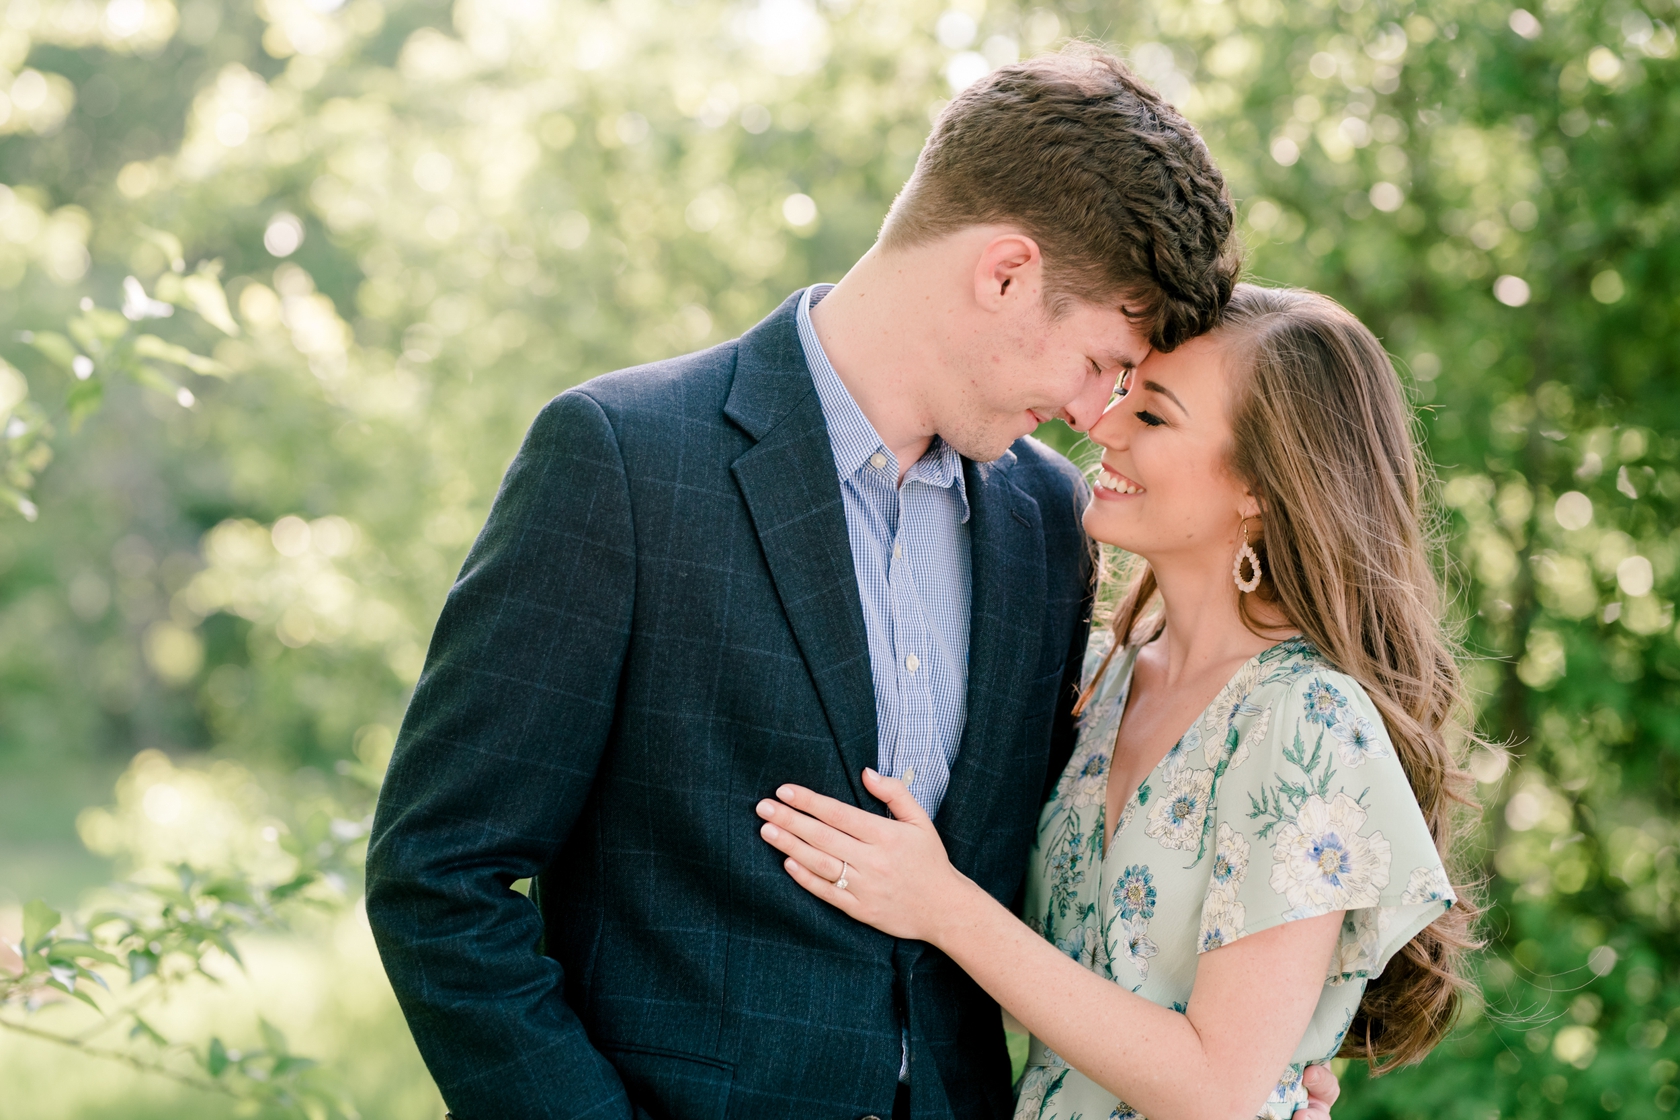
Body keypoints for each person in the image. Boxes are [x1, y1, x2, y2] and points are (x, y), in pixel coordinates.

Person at [365, 48, 1342, 1119]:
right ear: (1006, 272)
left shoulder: (1049, 526)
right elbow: (438, 880)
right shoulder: (624, 461)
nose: (1095, 410)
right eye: (1103, 359)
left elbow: (1081, 884)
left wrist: (1274, 1061)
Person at [756, 285, 1481, 1119]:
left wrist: (941, 905)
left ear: (1261, 487)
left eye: (1154, 417)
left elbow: (1216, 1090)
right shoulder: (1100, 679)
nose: (1100, 426)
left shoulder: (1305, 720)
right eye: (1123, 394)